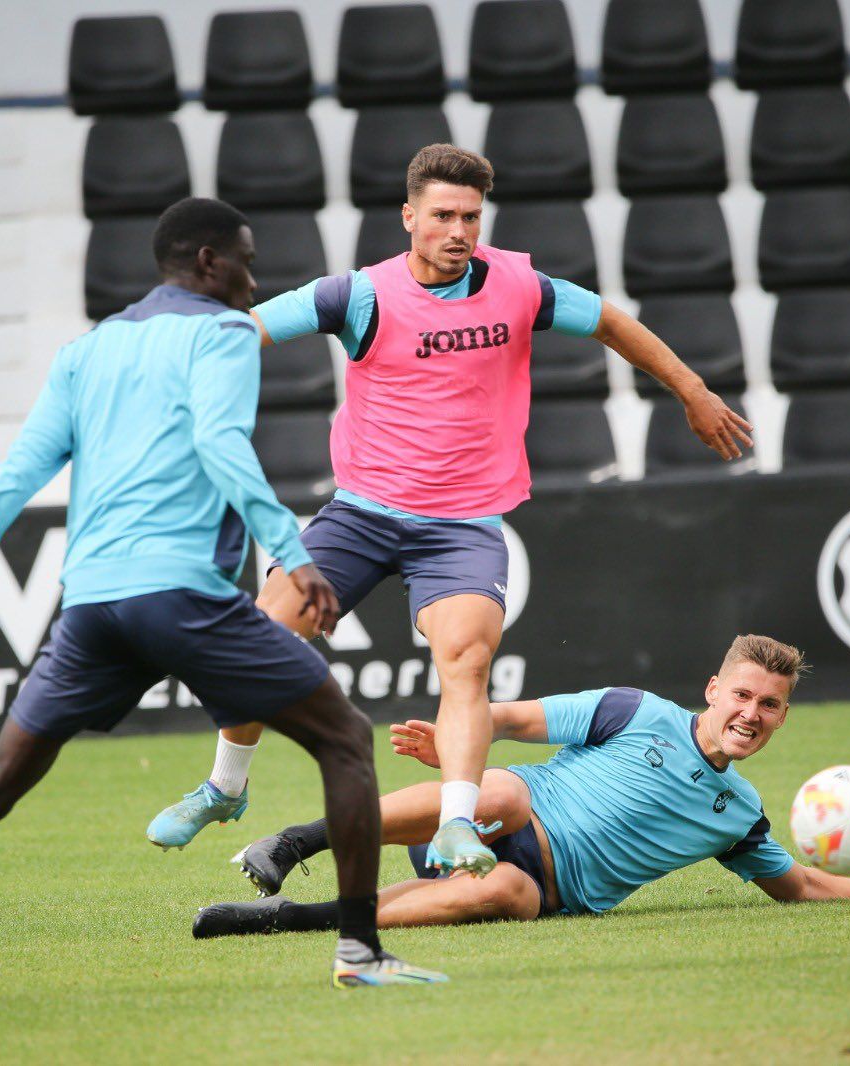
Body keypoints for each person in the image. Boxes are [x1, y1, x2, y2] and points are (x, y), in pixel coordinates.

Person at [0, 198, 444, 1010]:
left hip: (91, 607)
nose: (254, 277)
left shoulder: (85, 352)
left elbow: (13, 478)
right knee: (344, 740)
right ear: (206, 262)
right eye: (245, 259)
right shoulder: (226, 334)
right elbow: (219, 443)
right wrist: (295, 556)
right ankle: (358, 949)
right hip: (186, 597)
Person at [147, 144, 754, 880]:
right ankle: (225, 787)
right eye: (442, 215)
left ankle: (458, 823)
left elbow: (611, 324)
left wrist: (692, 390)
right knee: (260, 639)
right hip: (363, 513)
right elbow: (248, 329)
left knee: (466, 664)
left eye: (470, 215)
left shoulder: (518, 286)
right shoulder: (360, 295)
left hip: (463, 524)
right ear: (409, 217)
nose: (458, 230)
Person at [191, 635, 850, 938]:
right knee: (501, 794)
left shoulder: (739, 815)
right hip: (487, 815)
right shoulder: (634, 710)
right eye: (742, 695)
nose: (752, 713)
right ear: (713, 688)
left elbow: (802, 886)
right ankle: (293, 842)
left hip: (545, 884)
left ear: (783, 718)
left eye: (770, 706)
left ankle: (283, 922)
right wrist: (454, 749)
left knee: (506, 893)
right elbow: (500, 714)